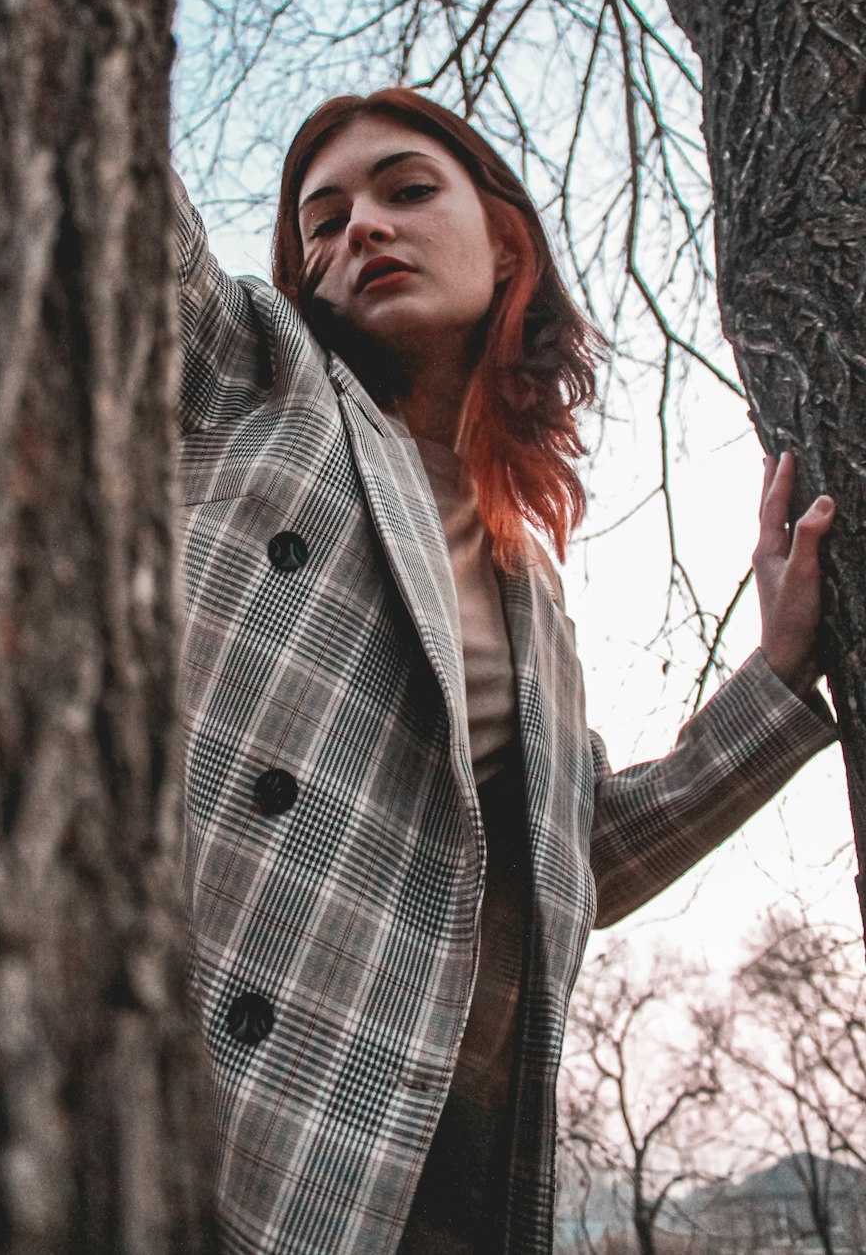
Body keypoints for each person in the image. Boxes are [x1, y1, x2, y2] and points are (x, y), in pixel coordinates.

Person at [173, 88, 836, 1255]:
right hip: (209, 1112)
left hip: (439, 1160)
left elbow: (564, 861)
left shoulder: (530, 585)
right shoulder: (249, 378)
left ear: (505, 240)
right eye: (320, 223)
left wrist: (778, 676)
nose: (359, 228)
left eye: (405, 189)